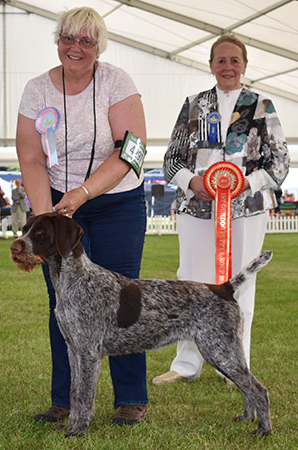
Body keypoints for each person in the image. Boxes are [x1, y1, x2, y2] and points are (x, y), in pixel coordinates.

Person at [16, 7, 148, 425]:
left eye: (86, 41)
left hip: (115, 200)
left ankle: (130, 399)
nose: (76, 47)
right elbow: (32, 157)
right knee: (64, 303)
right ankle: (65, 400)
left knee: (124, 299)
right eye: (68, 38)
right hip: (56, 208)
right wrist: (43, 221)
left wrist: (86, 191)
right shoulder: (37, 90)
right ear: (58, 41)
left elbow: (132, 149)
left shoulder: (116, 81)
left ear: (98, 47)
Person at [152, 34, 290, 386]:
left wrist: (246, 182)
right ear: (211, 65)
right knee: (190, 283)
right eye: (220, 61)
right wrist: (192, 182)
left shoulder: (263, 105)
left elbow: (280, 163)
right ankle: (186, 365)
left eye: (234, 61)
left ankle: (234, 366)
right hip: (196, 208)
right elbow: (171, 160)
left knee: (241, 285)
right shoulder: (194, 104)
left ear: (244, 65)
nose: (227, 67)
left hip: (247, 210)